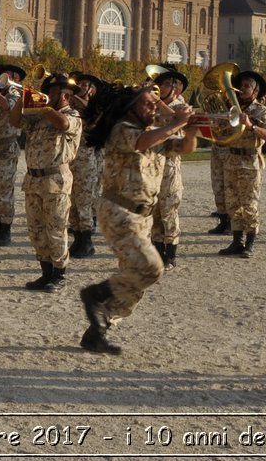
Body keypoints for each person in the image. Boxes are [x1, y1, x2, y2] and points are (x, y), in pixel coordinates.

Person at [78, 81, 196, 355]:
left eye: (155, 103)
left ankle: (99, 328)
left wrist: (191, 129)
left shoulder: (154, 134)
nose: (154, 106)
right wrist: (176, 122)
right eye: (147, 103)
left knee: (135, 279)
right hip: (120, 212)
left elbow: (186, 148)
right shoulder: (122, 130)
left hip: (143, 218)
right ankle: (94, 295)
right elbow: (143, 142)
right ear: (131, 108)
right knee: (152, 268)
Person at [16, 72, 84, 291]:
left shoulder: (72, 114)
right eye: (48, 92)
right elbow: (14, 120)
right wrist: (22, 99)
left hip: (55, 179)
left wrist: (45, 106)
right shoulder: (38, 117)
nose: (48, 95)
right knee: (36, 229)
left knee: (56, 229)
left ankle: (59, 274)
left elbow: (63, 124)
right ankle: (46, 273)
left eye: (54, 93)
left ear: (65, 96)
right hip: (34, 178)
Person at [215, 69, 266, 258]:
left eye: (246, 86)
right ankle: (236, 241)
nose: (241, 89)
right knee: (233, 204)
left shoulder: (263, 111)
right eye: (241, 86)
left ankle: (250, 243)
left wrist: (251, 126)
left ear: (255, 92)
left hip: (249, 162)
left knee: (249, 204)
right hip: (231, 160)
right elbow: (221, 133)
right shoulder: (233, 109)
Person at [146, 66, 197, 269]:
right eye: (161, 83)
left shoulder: (180, 106)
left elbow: (179, 120)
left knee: (169, 210)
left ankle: (171, 253)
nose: (161, 87)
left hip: (169, 164)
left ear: (176, 90)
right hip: (150, 164)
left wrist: (157, 101)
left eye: (167, 84)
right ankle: (157, 251)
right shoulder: (151, 105)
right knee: (154, 211)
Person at [0, 63, 26, 246]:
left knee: (5, 191)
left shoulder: (16, 94)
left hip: (6, 149)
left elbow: (8, 107)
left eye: (9, 75)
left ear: (15, 79)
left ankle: (6, 229)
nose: (5, 77)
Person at [67, 72, 106, 259]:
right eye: (80, 83)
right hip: (71, 158)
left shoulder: (97, 107)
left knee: (84, 200)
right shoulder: (70, 104)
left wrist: (77, 97)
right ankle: (77, 238)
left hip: (86, 159)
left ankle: (87, 242)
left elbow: (92, 121)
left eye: (86, 85)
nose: (82, 86)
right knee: (72, 201)